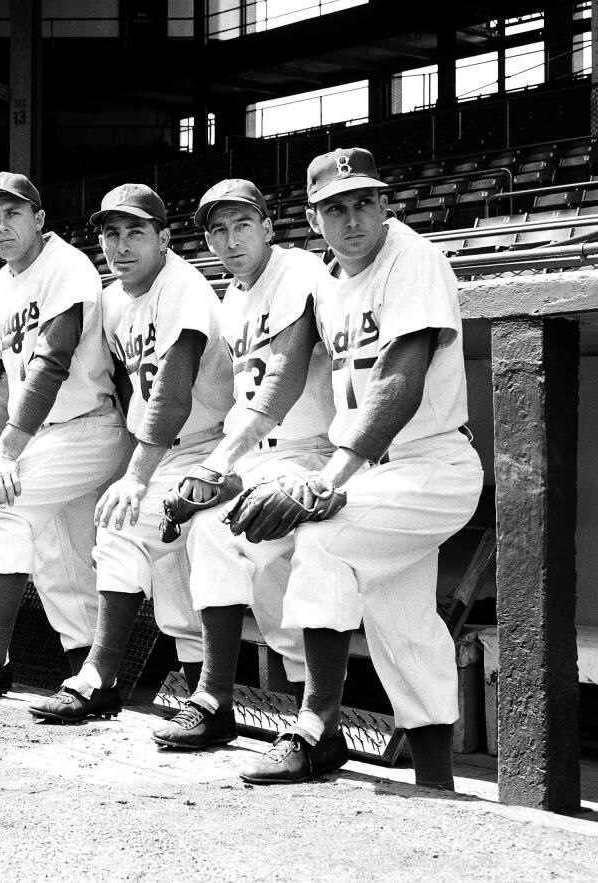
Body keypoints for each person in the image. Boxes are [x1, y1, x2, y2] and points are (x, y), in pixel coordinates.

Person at [231, 148, 482, 790]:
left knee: (321, 541)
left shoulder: (411, 257)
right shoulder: (326, 279)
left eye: (364, 201)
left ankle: (316, 730)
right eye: (335, 208)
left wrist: (326, 479)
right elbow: (287, 370)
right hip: (376, 473)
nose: (352, 218)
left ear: (386, 205)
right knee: (403, 622)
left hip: (431, 465)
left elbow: (402, 376)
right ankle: (436, 782)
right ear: (315, 221)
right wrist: (226, 458)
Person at [27, 184, 233, 723]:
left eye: (135, 232)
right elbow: (123, 385)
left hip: (210, 445)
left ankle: (98, 677)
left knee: (122, 527)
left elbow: (171, 389)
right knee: (171, 579)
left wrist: (134, 475)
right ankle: (203, 704)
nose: (120, 245)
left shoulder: (181, 286)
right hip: (165, 450)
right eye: (110, 233)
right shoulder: (114, 298)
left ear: (165, 238)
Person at [147, 178, 336, 750]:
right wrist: (216, 471)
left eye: (242, 225)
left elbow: (284, 377)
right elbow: (243, 401)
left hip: (313, 452)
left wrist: (217, 465)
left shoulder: (297, 271)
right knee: (204, 526)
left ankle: (313, 717)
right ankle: (213, 698)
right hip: (258, 456)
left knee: (249, 543)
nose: (230, 240)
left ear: (269, 227)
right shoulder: (232, 295)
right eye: (218, 230)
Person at [0, 172, 126, 702]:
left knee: (2, 507)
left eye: (13, 213)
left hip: (89, 423)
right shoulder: (1, 283)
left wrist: (8, 449)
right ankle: (90, 675)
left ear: (39, 218)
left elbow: (52, 362)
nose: (1, 225)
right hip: (50, 433)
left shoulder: (66, 266)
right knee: (63, 558)